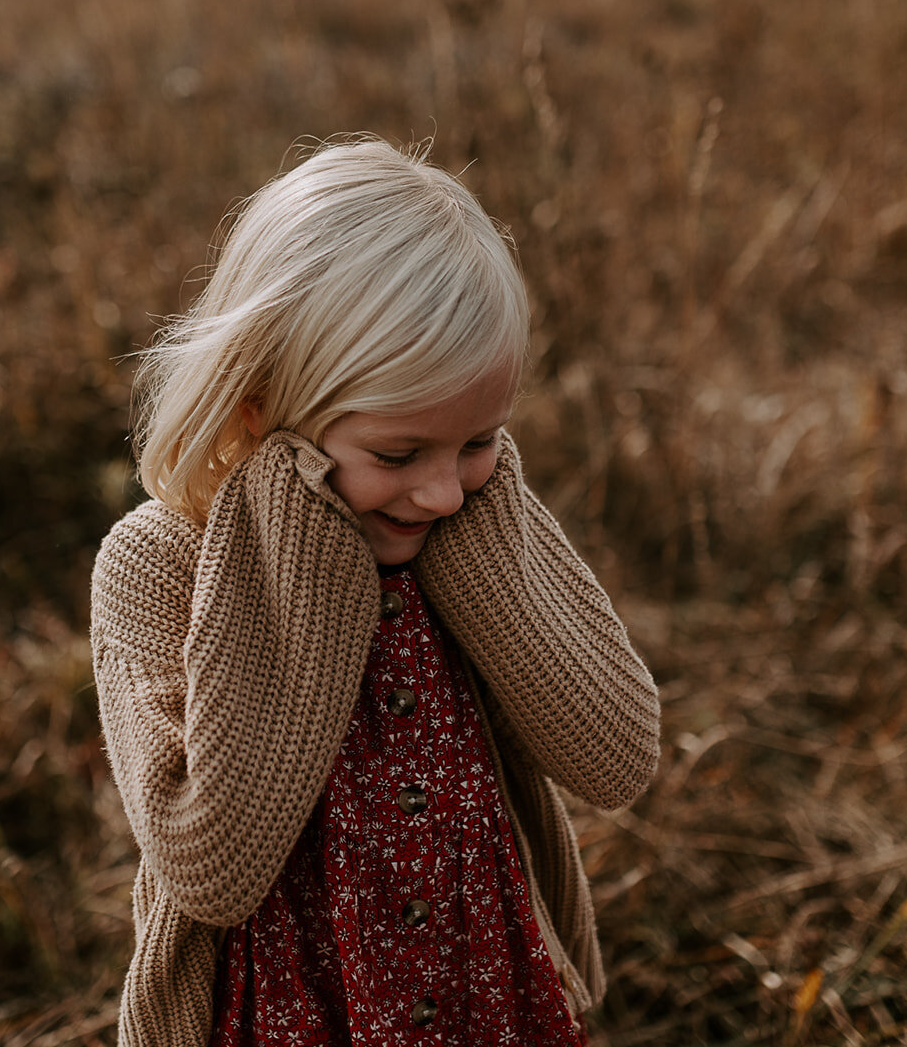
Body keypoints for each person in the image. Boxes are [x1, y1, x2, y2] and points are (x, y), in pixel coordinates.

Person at [89, 136, 662, 1047]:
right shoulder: (157, 567)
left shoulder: (457, 529)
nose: (441, 490)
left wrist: (482, 517)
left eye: (481, 440)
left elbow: (616, 756)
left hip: (490, 990)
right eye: (399, 453)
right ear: (258, 408)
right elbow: (213, 864)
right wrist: (291, 532)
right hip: (291, 1010)